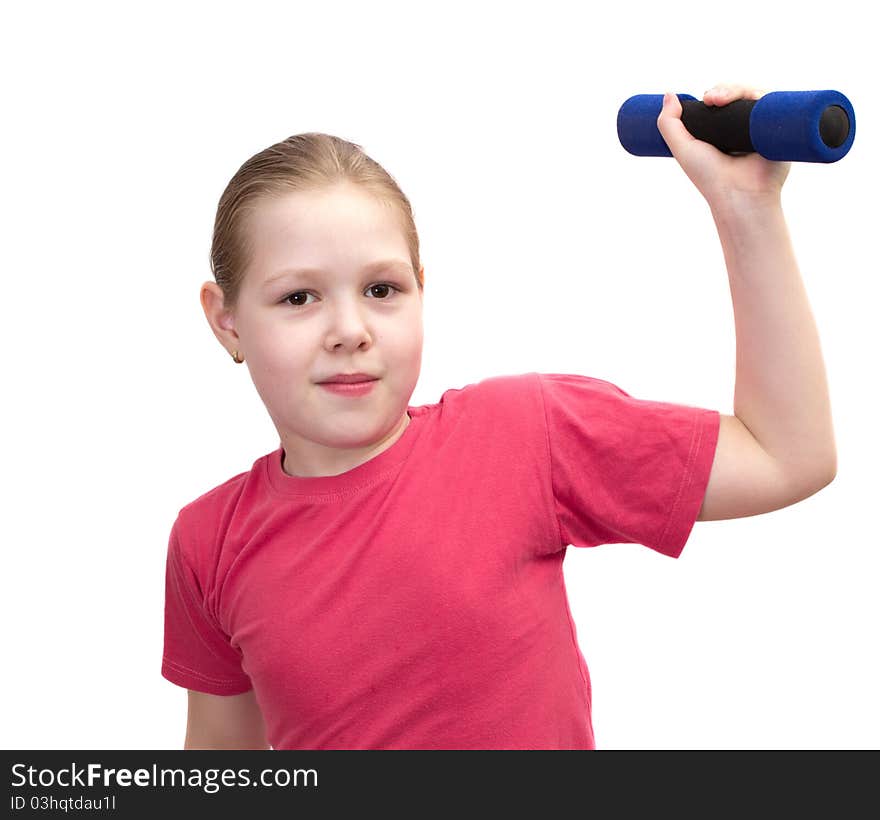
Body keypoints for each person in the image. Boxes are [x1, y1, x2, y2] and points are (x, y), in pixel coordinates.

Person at [161, 84, 837, 750]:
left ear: (421, 290)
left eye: (381, 289)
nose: (349, 330)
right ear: (227, 322)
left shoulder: (523, 436)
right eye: (299, 297)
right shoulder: (209, 543)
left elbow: (786, 456)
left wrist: (746, 209)